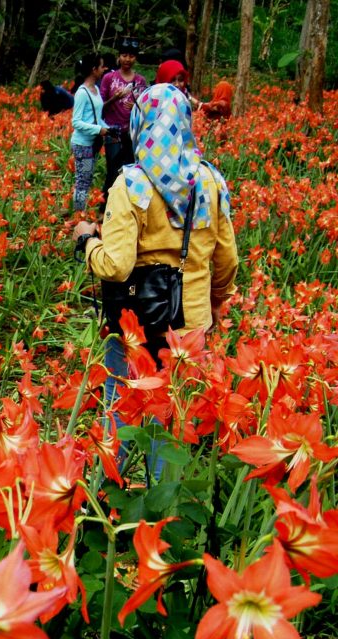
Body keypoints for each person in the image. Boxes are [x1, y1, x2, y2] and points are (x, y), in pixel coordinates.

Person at [73, 84, 238, 478]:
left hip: (136, 322)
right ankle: (161, 508)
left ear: (139, 124)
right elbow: (227, 260)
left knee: (121, 407)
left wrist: (87, 239)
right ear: (185, 123)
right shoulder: (210, 183)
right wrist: (214, 304)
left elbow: (115, 266)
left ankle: (109, 494)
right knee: (170, 416)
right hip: (190, 326)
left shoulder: (131, 184)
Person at [100, 37, 148, 205]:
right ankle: (106, 206)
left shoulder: (140, 81)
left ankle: (125, 205)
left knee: (130, 172)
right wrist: (115, 98)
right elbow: (100, 107)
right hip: (112, 131)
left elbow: (145, 109)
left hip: (133, 133)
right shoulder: (108, 78)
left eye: (131, 56)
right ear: (119, 56)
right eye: (124, 55)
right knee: (113, 170)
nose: (128, 59)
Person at [70, 54, 108, 212]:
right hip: (82, 144)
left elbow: (96, 117)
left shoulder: (96, 89)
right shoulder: (82, 93)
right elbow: (76, 122)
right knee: (83, 179)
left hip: (92, 143)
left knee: (86, 177)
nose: (103, 69)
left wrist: (109, 129)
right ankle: (79, 213)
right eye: (101, 66)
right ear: (94, 70)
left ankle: (79, 211)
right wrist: (99, 129)